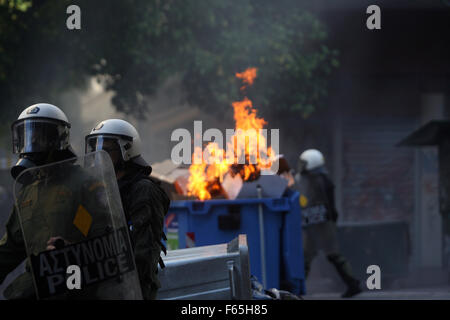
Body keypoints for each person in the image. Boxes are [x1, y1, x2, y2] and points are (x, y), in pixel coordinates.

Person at [0, 103, 109, 299]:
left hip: (75, 286)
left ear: (58, 140)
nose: (31, 143)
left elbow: (107, 241)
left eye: (38, 137)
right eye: (27, 136)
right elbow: (10, 248)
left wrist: (73, 249)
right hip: (36, 288)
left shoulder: (84, 184)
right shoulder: (28, 192)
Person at [85, 119, 170, 300]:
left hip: (130, 290)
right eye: (96, 149)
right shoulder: (100, 189)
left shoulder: (143, 190)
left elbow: (144, 253)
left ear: (126, 151)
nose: (99, 155)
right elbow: (84, 232)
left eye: (106, 150)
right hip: (100, 286)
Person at [294, 149, 362, 298]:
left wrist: (300, 201)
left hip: (321, 225)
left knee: (330, 255)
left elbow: (312, 203)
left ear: (311, 163)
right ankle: (297, 291)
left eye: (304, 163)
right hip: (318, 224)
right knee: (308, 257)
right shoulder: (318, 179)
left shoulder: (318, 181)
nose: (302, 166)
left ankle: (353, 284)